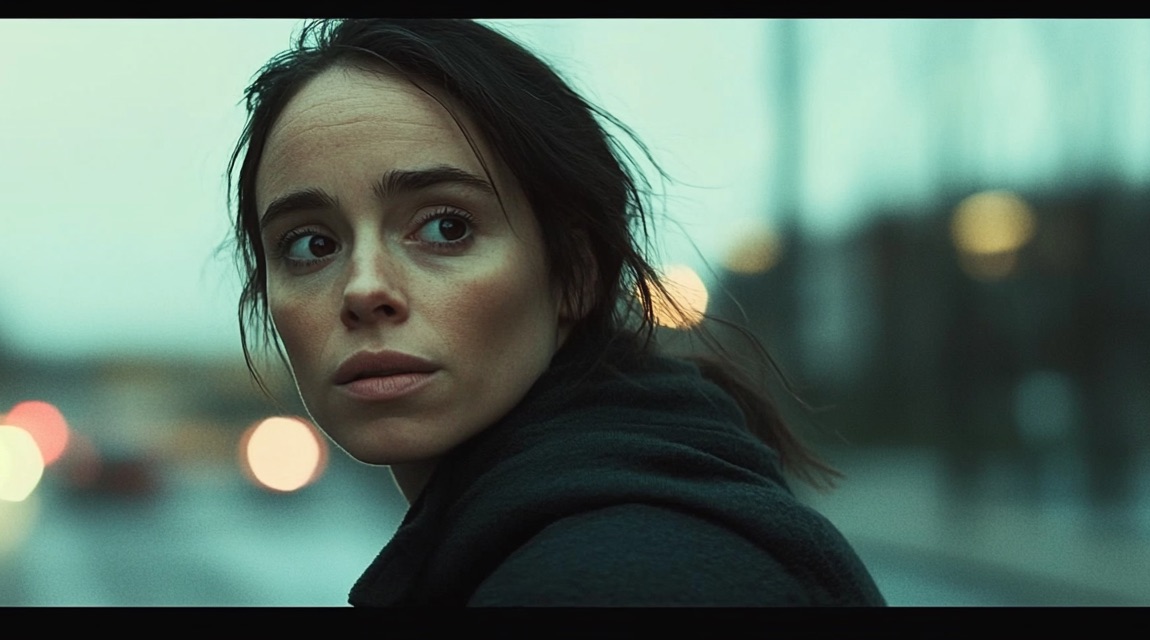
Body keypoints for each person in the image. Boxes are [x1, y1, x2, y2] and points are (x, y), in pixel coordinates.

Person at [225, 19, 886, 606]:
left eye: (446, 228)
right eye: (311, 244)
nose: (364, 289)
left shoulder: (622, 577)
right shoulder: (621, 520)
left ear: (574, 273)